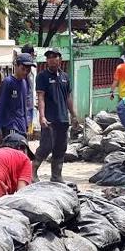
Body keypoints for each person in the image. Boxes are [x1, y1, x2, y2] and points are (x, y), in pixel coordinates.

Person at [34, 48, 79, 183]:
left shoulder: (65, 77)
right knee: (45, 146)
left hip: (63, 119)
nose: (52, 60)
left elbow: (68, 98)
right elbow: (40, 98)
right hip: (49, 119)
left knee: (60, 148)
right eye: (49, 57)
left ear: (60, 59)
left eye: (54, 57)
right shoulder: (42, 76)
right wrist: (42, 116)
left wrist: (74, 115)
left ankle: (56, 176)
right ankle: (32, 172)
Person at [0, 53, 36, 141]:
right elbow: (0, 105)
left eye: (28, 69)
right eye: (23, 69)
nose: (25, 72)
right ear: (16, 66)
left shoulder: (25, 82)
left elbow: (24, 105)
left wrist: (26, 124)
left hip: (22, 126)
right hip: (10, 125)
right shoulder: (8, 82)